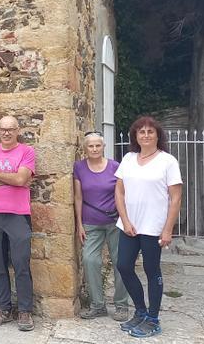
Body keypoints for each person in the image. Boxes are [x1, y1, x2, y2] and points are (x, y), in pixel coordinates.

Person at [115, 116, 182, 338]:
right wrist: (124, 220)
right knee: (124, 266)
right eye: (141, 132)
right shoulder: (128, 158)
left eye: (150, 131)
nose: (145, 135)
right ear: (135, 136)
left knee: (152, 271)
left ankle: (153, 319)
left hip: (153, 227)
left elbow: (175, 198)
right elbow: (120, 191)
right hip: (129, 225)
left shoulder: (167, 161)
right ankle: (140, 312)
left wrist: (167, 229)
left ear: (157, 135)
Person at [0, 116, 36, 331]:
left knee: (21, 263)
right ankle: (3, 307)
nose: (6, 133)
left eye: (11, 129)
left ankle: (24, 310)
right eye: (3, 129)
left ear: (17, 130)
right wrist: (9, 177)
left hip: (18, 214)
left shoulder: (26, 151)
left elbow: (22, 180)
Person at [75, 131, 128, 321]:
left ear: (103, 147)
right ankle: (98, 305)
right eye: (91, 146)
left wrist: (126, 220)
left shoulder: (115, 166)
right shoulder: (79, 168)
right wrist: (79, 224)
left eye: (98, 145)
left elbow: (122, 195)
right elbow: (78, 197)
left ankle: (122, 305)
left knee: (120, 262)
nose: (95, 149)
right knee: (90, 261)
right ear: (85, 148)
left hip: (115, 222)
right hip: (90, 223)